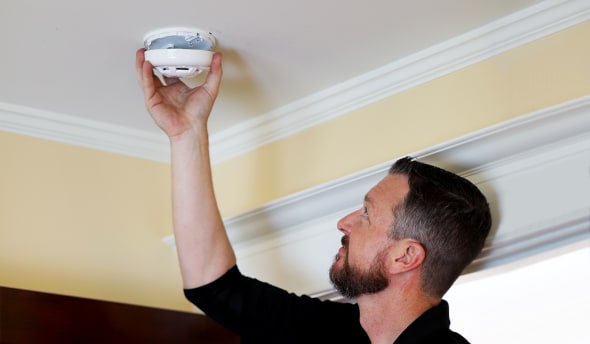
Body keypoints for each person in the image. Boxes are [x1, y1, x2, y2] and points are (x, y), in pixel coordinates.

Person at [135, 48, 492, 344]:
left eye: (366, 214)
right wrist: (187, 133)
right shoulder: (328, 331)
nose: (344, 222)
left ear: (406, 256)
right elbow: (214, 287)